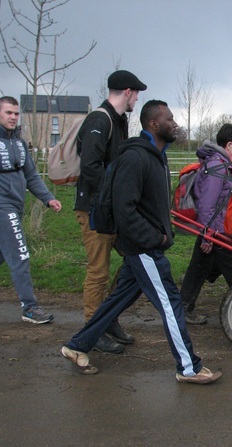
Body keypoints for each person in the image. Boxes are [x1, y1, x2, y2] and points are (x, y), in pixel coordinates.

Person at [61, 100, 221, 384]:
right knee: (171, 303)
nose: (174, 123)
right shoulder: (136, 158)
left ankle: (76, 346)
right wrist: (153, 238)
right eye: (169, 119)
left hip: (147, 246)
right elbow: (125, 209)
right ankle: (188, 367)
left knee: (117, 300)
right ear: (153, 124)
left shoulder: (157, 156)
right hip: (143, 248)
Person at [0, 96, 62, 323]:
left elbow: (32, 176)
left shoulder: (19, 143)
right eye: (8, 113)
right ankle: (30, 307)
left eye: (16, 113)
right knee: (20, 255)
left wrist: (48, 198)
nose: (13, 117)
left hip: (15, 205)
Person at [75, 70, 147, 354]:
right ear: (127, 92)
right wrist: (121, 187)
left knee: (133, 260)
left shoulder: (119, 121)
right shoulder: (99, 120)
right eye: (136, 93)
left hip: (111, 209)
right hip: (94, 210)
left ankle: (109, 318)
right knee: (98, 273)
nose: (137, 99)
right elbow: (90, 167)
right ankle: (92, 331)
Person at [180, 123, 232, 324]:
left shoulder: (220, 163)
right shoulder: (216, 166)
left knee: (198, 268)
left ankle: (183, 308)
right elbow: (208, 204)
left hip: (214, 229)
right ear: (229, 145)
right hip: (215, 231)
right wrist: (208, 235)